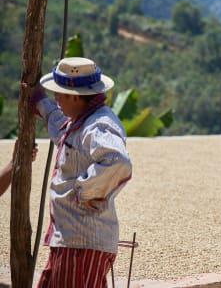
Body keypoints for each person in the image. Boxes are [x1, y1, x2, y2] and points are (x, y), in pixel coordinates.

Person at [32, 57, 132, 288]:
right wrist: (42, 105)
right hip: (72, 241)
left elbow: (118, 162)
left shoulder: (98, 125)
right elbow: (64, 135)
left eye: (59, 95)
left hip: (82, 244)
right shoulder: (82, 121)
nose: (56, 100)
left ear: (75, 97)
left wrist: (83, 192)